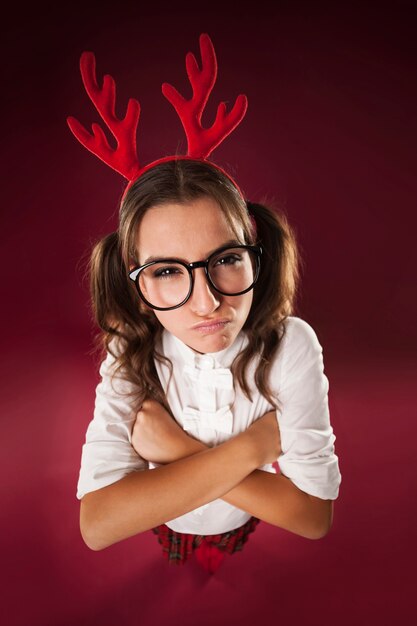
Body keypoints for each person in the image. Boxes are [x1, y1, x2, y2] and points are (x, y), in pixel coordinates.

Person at [69, 35, 341, 573]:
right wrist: (255, 448)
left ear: (257, 257)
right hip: (172, 524)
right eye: (169, 271)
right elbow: (98, 525)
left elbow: (313, 517)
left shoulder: (291, 345)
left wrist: (174, 450)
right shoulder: (131, 348)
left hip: (238, 520)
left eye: (225, 259)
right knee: (184, 557)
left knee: (229, 549)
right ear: (137, 287)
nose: (207, 300)